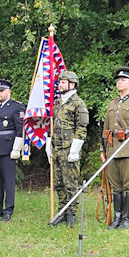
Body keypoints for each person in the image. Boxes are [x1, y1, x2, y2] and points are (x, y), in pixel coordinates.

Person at [100, 66, 129, 230]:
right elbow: (106, 128)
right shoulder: (112, 103)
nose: (119, 82)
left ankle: (126, 219)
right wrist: (103, 150)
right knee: (116, 186)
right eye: (118, 80)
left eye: (123, 80)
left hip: (128, 149)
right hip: (113, 150)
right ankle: (117, 217)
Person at [47, 71, 89, 227]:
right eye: (60, 82)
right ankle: (62, 210)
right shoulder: (57, 103)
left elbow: (82, 127)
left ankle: (71, 212)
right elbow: (53, 125)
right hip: (57, 148)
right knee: (58, 182)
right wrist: (49, 143)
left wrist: (75, 150)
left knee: (70, 182)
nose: (60, 85)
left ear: (72, 84)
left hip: (69, 149)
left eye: (63, 82)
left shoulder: (78, 103)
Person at [0, 79, 25, 221]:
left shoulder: (16, 107)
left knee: (8, 181)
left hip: (8, 148)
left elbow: (20, 129)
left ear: (8, 91)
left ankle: (8, 209)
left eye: (1, 91)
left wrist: (16, 148)